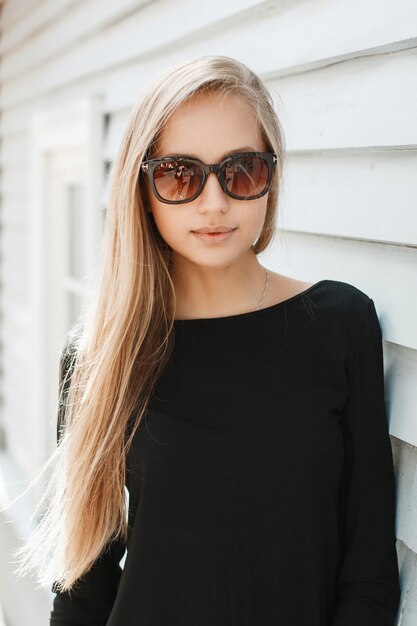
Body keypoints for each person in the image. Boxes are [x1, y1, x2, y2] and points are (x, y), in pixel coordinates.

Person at [15, 55, 400, 625]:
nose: (214, 202)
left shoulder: (341, 324)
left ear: (271, 175)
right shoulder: (100, 352)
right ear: (142, 188)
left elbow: (367, 574)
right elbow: (82, 587)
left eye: (241, 170)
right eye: (179, 173)